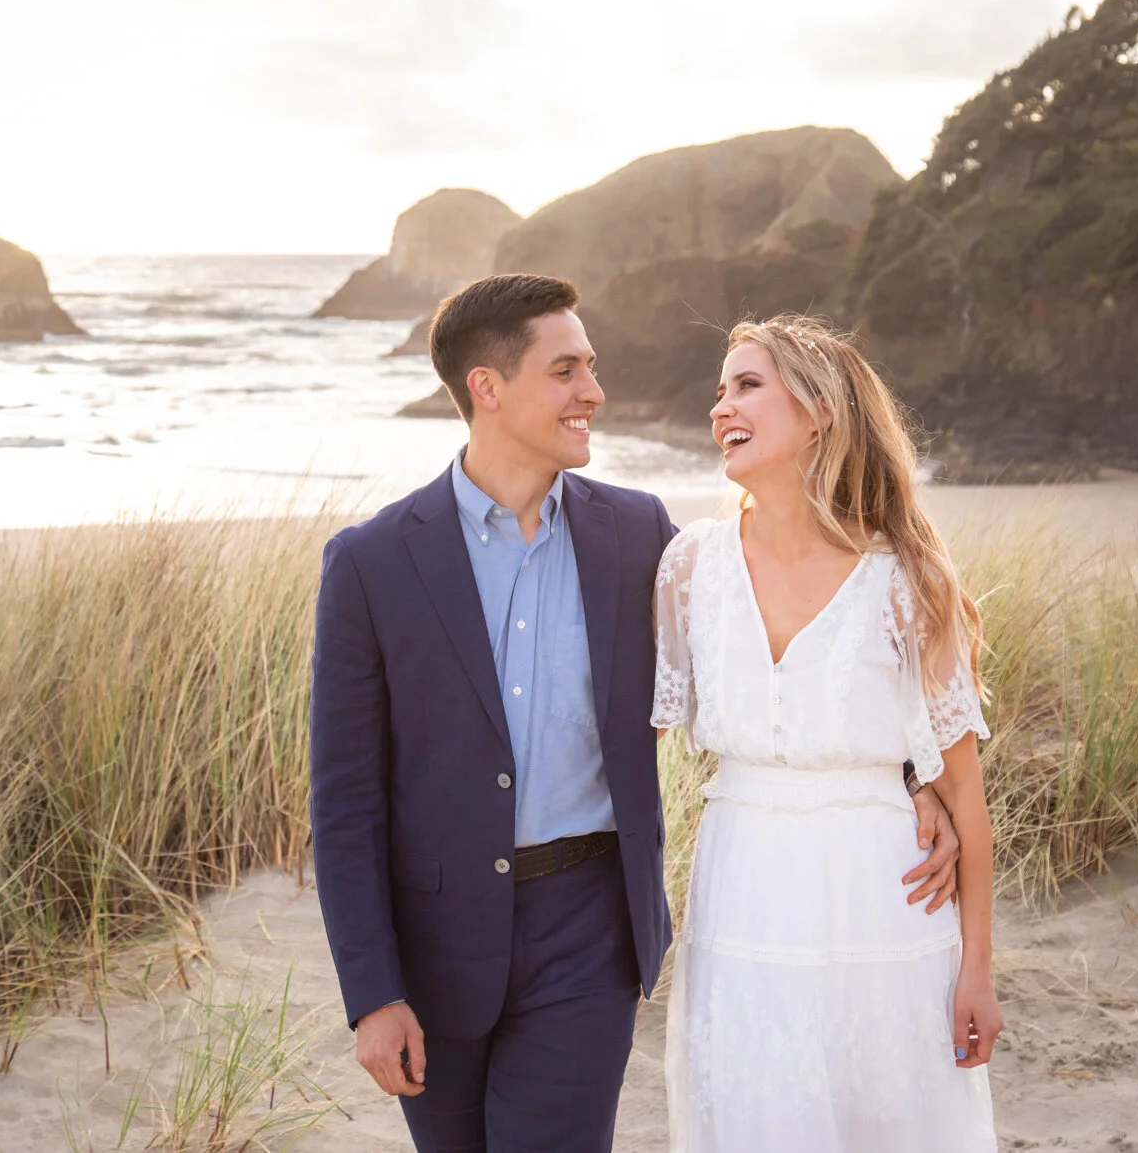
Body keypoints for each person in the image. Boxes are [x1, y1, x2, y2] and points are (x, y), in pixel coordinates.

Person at [308, 276, 962, 1152]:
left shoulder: (638, 535)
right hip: (436, 945)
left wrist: (911, 778)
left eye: (592, 367)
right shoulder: (371, 562)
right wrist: (374, 992)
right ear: (487, 387)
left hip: (590, 928)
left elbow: (774, 665)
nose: (594, 392)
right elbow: (344, 802)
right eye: (567, 370)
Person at [656, 314, 1002, 1151]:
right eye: (718, 389)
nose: (720, 407)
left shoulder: (904, 580)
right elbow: (633, 739)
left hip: (882, 900)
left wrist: (978, 970)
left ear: (816, 411)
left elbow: (965, 794)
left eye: (746, 385)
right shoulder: (690, 565)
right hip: (740, 892)